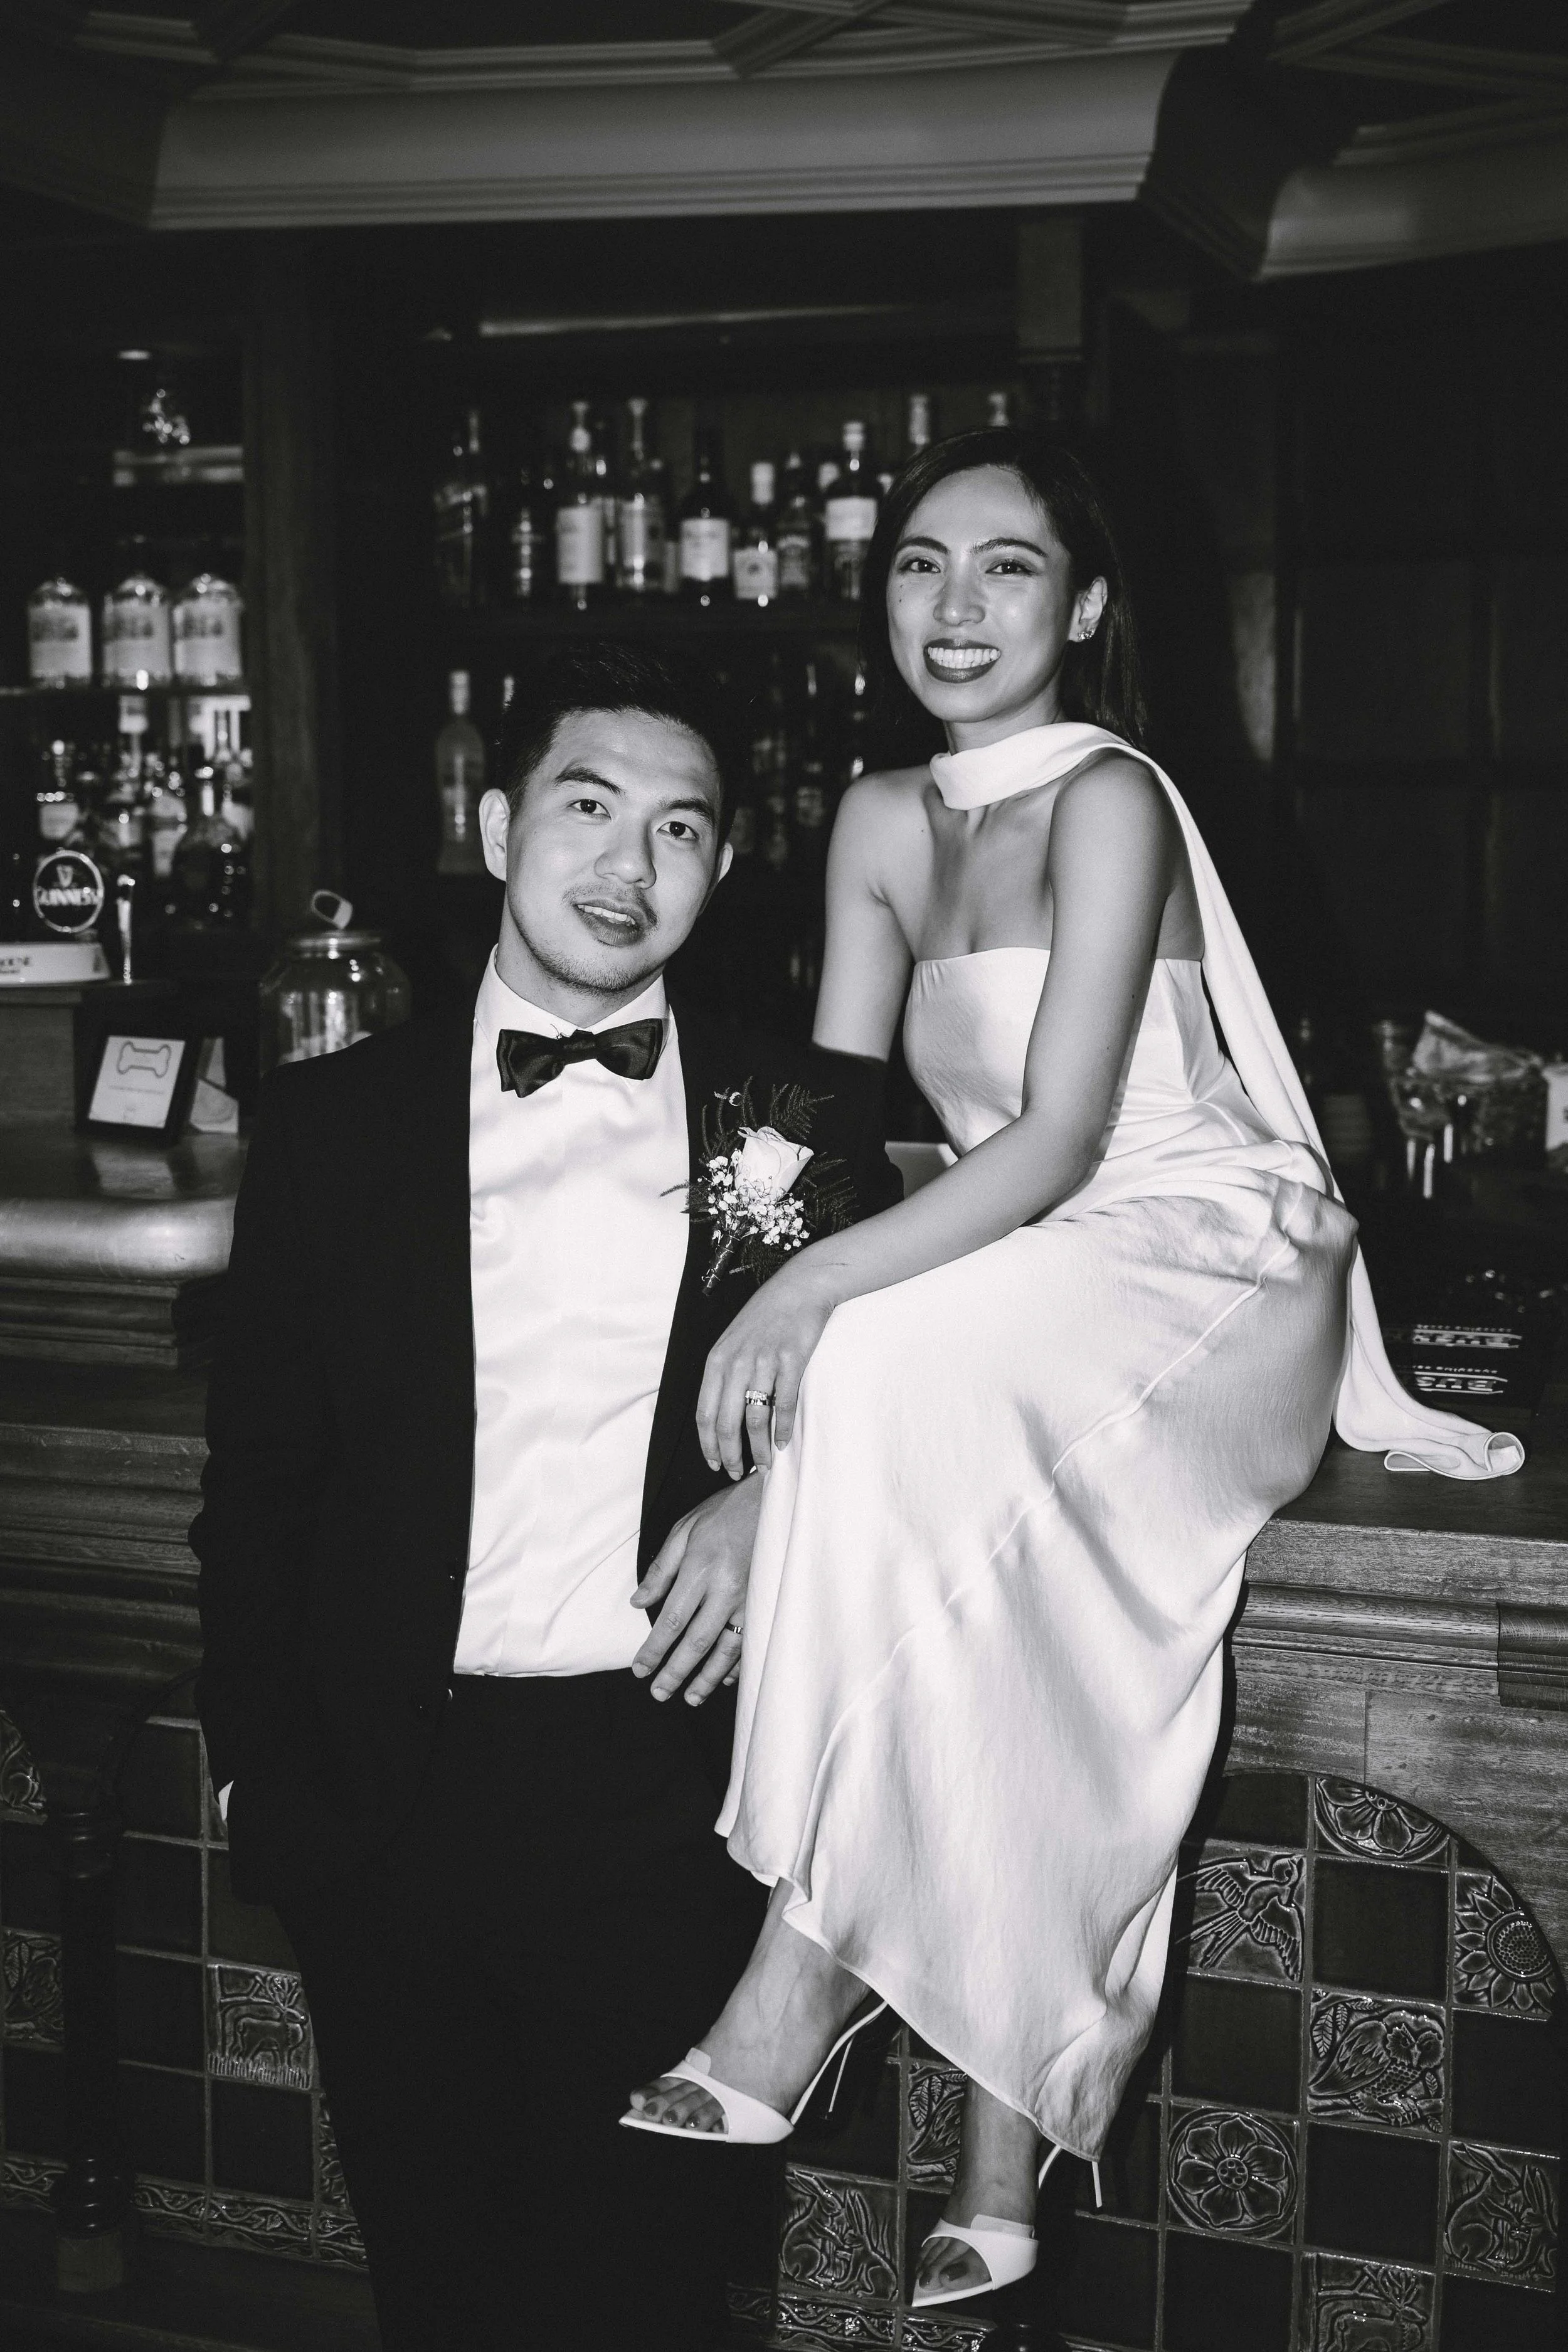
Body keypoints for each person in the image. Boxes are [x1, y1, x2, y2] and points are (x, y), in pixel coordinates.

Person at [623, 430, 1522, 2307]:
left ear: (1085, 607)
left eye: (1008, 570)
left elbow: (1049, 1140)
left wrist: (802, 1323)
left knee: (885, 1370)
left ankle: (796, 1978)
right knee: (991, 1576)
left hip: (1206, 1251)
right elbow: (840, 1125)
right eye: (918, 568)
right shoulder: (878, 819)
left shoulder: (1110, 795)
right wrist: (769, 1391)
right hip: (1024, 1268)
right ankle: (999, 2143)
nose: (954, 610)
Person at [191, 640, 898, 2352]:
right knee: (439, 2293)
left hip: (665, 1801)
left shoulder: (808, 1120)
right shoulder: (329, 1123)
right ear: (499, 824)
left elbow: (928, 1416)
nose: (626, 866)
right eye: (588, 809)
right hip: (391, 1799)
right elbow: (261, 1493)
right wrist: (264, 1791)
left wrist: (775, 1494)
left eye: (678, 829)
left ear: (719, 869)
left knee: (642, 2301)